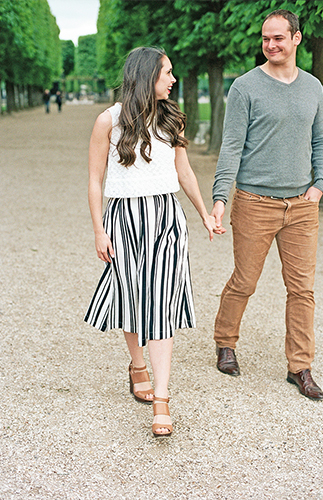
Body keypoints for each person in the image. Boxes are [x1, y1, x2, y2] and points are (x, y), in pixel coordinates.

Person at [84, 46, 219, 436]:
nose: (173, 80)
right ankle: (137, 364)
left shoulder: (172, 119)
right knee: (130, 297)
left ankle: (162, 399)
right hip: (123, 217)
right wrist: (99, 229)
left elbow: (185, 172)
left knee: (160, 303)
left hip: (166, 217)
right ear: (147, 76)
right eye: (167, 73)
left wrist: (205, 214)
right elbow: (95, 180)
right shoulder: (107, 121)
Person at [211, 9, 323, 400]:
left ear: (296, 39)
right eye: (265, 38)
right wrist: (221, 197)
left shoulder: (314, 88)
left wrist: (319, 187)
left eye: (278, 38)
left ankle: (300, 367)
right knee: (245, 280)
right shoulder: (244, 87)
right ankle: (226, 342)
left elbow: (320, 142)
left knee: (302, 289)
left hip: (302, 207)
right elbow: (232, 147)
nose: (271, 44)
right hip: (255, 202)